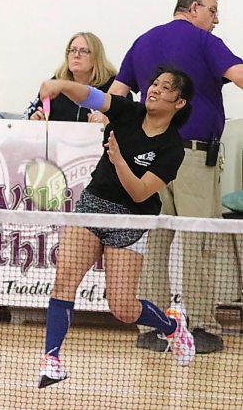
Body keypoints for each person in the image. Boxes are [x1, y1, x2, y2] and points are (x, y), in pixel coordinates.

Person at [103, 0, 243, 354]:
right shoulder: (205, 41)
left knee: (155, 240)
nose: (216, 20)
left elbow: (115, 96)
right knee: (198, 241)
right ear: (195, 7)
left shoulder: (144, 41)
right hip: (192, 159)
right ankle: (201, 328)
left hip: (149, 154)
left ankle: (153, 328)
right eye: (213, 11)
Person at [37, 67, 195, 389]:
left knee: (122, 308)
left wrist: (119, 159)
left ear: (178, 102)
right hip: (94, 205)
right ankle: (51, 360)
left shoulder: (172, 149)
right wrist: (61, 85)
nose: (154, 90)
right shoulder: (128, 112)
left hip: (131, 219)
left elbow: (139, 192)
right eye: (154, 84)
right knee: (65, 277)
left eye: (165, 88)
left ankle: (171, 326)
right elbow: (93, 96)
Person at [26, 32, 126, 122]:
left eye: (83, 51)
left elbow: (129, 118)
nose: (76, 55)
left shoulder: (115, 85)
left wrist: (107, 118)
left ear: (96, 57)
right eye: (72, 50)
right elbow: (28, 114)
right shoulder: (55, 85)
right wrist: (35, 118)